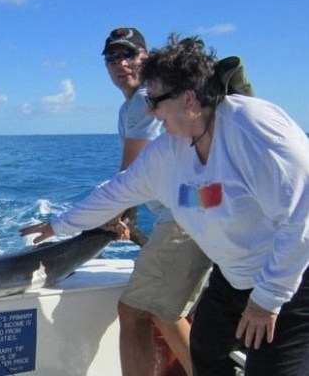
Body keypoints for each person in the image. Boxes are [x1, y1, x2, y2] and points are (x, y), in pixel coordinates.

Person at [21, 35, 309, 376]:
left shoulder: (256, 130)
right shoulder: (170, 149)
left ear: (189, 99)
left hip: (292, 280)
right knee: (205, 351)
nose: (150, 111)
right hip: (233, 277)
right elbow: (119, 190)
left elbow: (301, 220)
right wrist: (59, 224)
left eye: (156, 101)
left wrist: (267, 300)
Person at [101, 27, 212, 376]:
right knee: (163, 311)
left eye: (129, 54)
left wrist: (115, 213)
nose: (121, 63)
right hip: (192, 211)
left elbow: (130, 174)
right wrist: (124, 215)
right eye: (113, 57)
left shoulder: (144, 100)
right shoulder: (129, 107)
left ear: (145, 58)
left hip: (183, 216)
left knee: (134, 310)